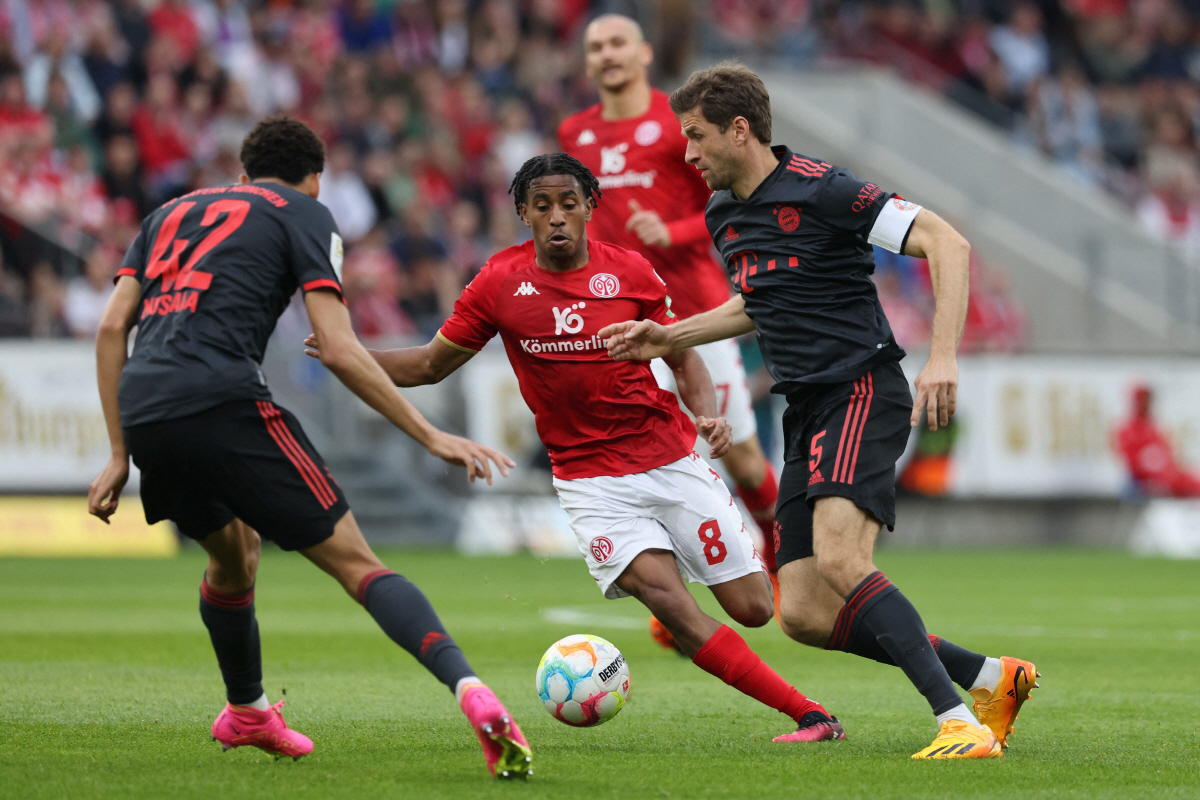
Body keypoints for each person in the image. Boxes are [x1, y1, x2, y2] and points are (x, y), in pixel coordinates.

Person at [306, 153, 846, 743]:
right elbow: (429, 365)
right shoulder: (498, 283)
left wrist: (706, 415)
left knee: (754, 609)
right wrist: (348, 355)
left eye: (569, 204)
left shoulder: (633, 273)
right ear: (523, 213)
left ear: (590, 207)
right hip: (591, 482)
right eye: (542, 206)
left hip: (668, 458)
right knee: (674, 608)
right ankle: (810, 714)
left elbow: (682, 355)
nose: (557, 217)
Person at [601, 64, 1039, 760]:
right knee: (801, 612)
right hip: (804, 407)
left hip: (860, 388)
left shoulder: (826, 189)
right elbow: (756, 301)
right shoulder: (723, 213)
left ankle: (958, 722)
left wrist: (943, 355)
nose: (687, 154)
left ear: (739, 131)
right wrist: (670, 335)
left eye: (696, 137)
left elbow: (945, 243)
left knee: (841, 558)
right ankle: (992, 678)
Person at [85, 116, 532, 779]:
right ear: (316, 181)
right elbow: (341, 349)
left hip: (148, 411)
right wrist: (431, 433)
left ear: (242, 174)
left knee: (234, 558)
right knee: (359, 565)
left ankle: (248, 713)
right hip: (224, 401)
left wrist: (119, 453)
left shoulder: (168, 212)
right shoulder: (305, 213)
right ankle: (473, 691)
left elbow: (111, 326)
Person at [559, 17, 783, 612]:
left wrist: (674, 228)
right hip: (622, 326)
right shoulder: (574, 132)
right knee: (654, 457)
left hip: (694, 311)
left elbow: (730, 193)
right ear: (587, 63)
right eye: (595, 47)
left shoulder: (675, 122)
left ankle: (779, 559)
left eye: (616, 44)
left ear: (643, 53)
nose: (606, 55)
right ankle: (677, 597)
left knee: (733, 450)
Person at [1115, 384, 1200, 497]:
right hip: (1144, 480)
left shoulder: (1153, 427)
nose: (1146, 404)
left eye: (1148, 400)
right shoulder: (1128, 429)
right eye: (1143, 400)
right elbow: (1133, 463)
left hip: (1166, 475)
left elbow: (1167, 453)